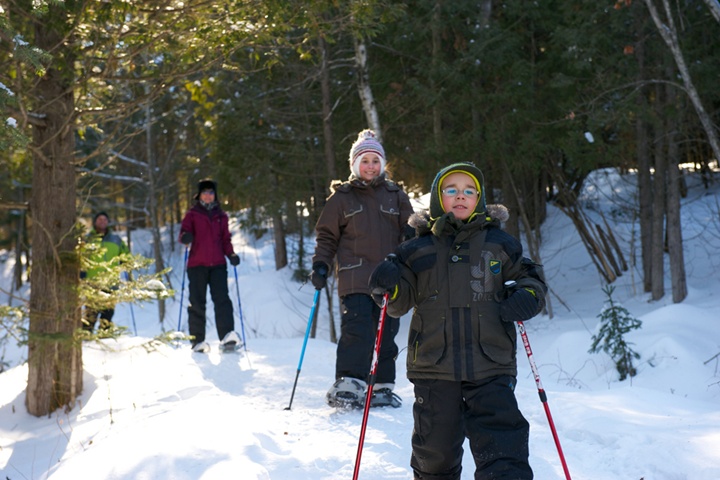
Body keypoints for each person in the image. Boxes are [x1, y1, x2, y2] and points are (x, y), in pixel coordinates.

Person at [369, 162, 547, 479]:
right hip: (434, 367)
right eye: (451, 190)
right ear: (438, 198)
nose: (460, 196)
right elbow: (397, 303)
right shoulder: (416, 249)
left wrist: (527, 297)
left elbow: (530, 279)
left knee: (504, 447)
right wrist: (387, 285)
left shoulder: (500, 244)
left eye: (469, 191)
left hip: (491, 363)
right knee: (434, 454)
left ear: (479, 198)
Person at [311, 129, 414, 409]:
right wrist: (321, 264)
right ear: (355, 164)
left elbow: (411, 230)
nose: (371, 166)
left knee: (385, 333)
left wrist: (412, 235)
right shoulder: (342, 198)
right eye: (365, 160)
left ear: (382, 164)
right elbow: (327, 236)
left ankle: (381, 385)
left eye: (375, 161)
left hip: (390, 278)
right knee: (357, 330)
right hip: (355, 276)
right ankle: (350, 382)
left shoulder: (396, 195)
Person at [179, 179, 242, 353]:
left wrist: (231, 254)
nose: (208, 195)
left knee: (222, 300)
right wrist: (185, 237)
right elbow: (183, 233)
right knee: (197, 303)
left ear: (215, 195)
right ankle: (197, 341)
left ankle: (227, 336)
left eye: (211, 192)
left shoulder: (221, 216)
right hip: (197, 264)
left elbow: (225, 240)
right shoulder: (192, 214)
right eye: (205, 192)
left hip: (218, 265)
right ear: (199, 195)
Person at [82, 211, 130, 333]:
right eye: (100, 219)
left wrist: (126, 263)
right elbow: (81, 258)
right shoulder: (87, 239)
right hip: (92, 282)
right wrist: (81, 273)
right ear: (95, 222)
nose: (102, 222)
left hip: (111, 282)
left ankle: (105, 337)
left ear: (108, 222)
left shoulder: (116, 239)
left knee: (108, 313)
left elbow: (125, 255)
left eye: (105, 220)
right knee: (91, 313)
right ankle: (86, 338)